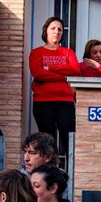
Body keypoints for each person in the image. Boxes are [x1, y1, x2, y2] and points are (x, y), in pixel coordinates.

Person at [29, 16, 79, 157]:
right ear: (46, 31)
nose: (57, 31)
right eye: (53, 28)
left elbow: (74, 70)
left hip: (66, 102)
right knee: (47, 143)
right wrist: (63, 76)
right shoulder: (36, 53)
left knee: (69, 140)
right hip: (43, 103)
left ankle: (72, 174)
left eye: (60, 29)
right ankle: (49, 175)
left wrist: (49, 68)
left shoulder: (68, 52)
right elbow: (38, 73)